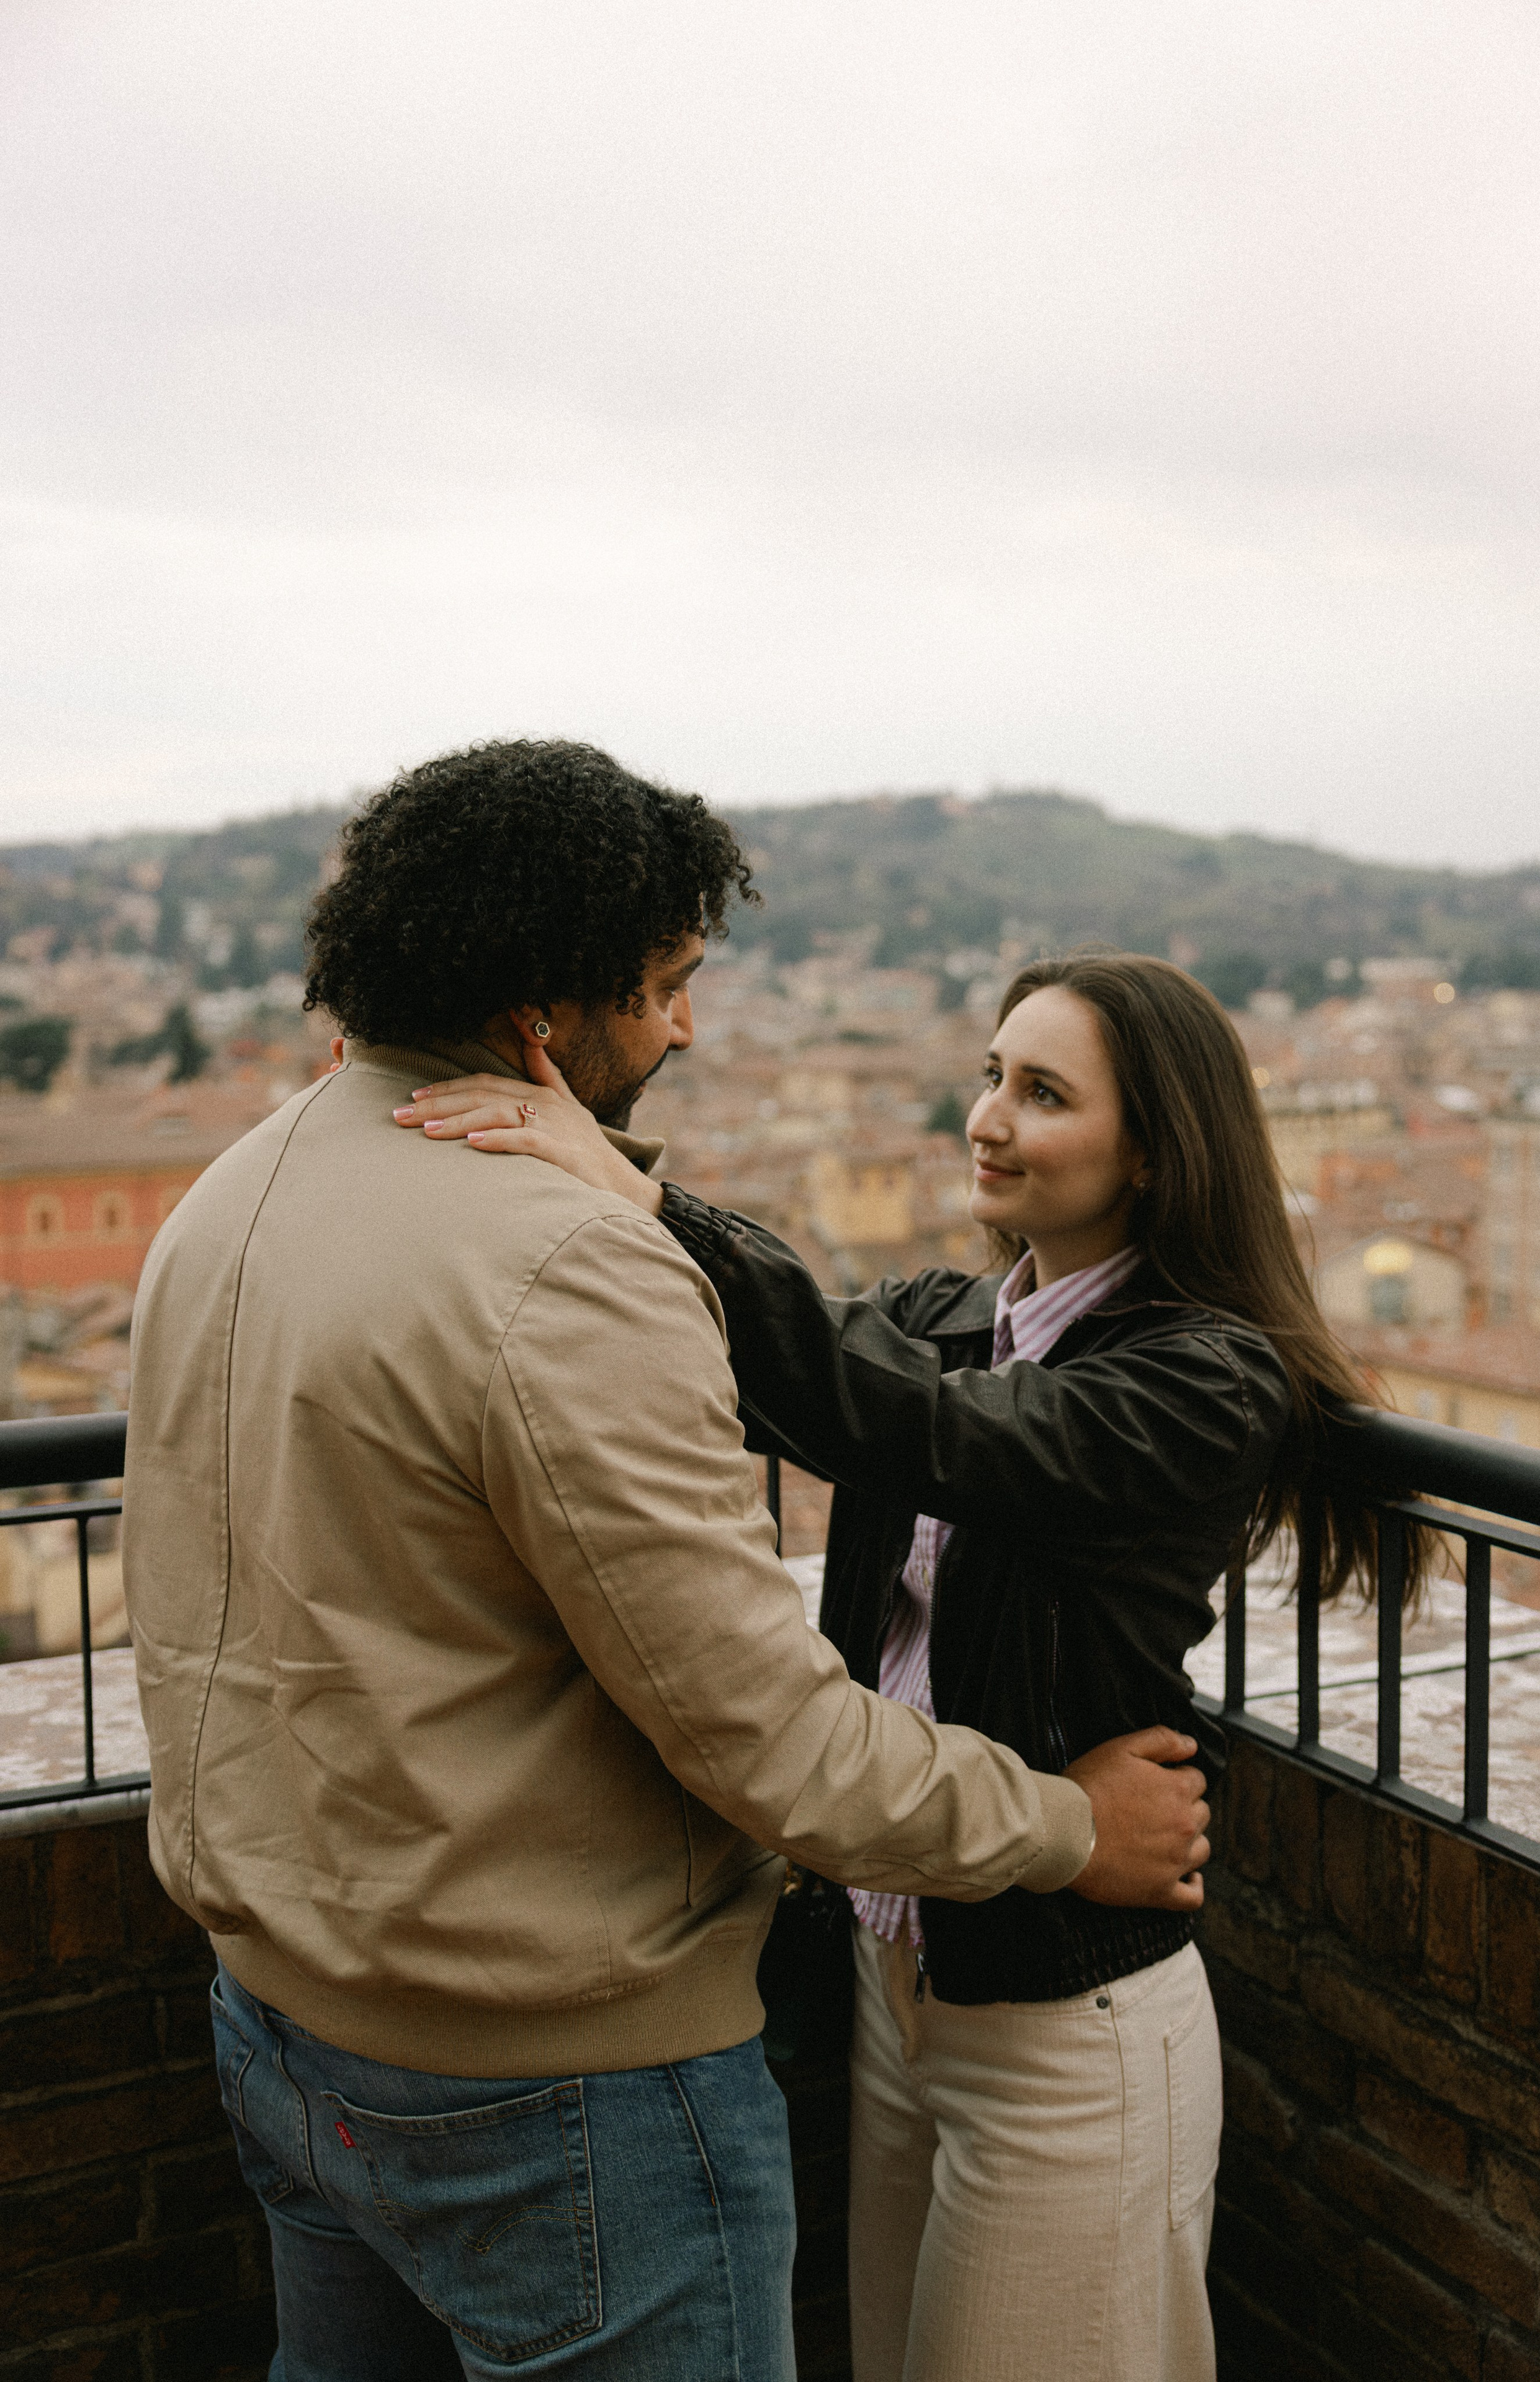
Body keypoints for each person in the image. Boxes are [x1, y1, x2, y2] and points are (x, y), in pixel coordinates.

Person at [122, 744, 1211, 2382]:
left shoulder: (226, 1191)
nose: (692, 1026)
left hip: (282, 2024)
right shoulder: (565, 1261)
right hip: (555, 2076)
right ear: (549, 1020)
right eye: (668, 983)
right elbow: (772, 1740)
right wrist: (1068, 1821)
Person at [404, 943, 1399, 2382]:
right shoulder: (949, 1314)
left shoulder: (1205, 1372)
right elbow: (801, 1373)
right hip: (903, 1974)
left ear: (1152, 1150)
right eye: (989, 1075)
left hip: (1070, 2012)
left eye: (1042, 1091)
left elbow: (935, 1432)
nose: (986, 1116)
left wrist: (645, 1194)